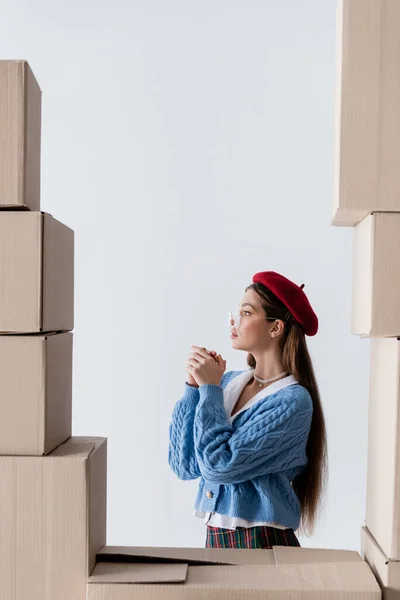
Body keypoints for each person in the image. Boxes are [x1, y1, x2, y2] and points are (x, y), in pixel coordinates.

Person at [168, 270, 328, 549]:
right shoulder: (228, 384)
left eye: (245, 313)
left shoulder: (292, 401)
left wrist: (209, 391)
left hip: (261, 540)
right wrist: (194, 389)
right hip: (216, 536)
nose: (234, 320)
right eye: (236, 311)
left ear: (275, 328)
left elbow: (220, 466)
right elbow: (185, 466)